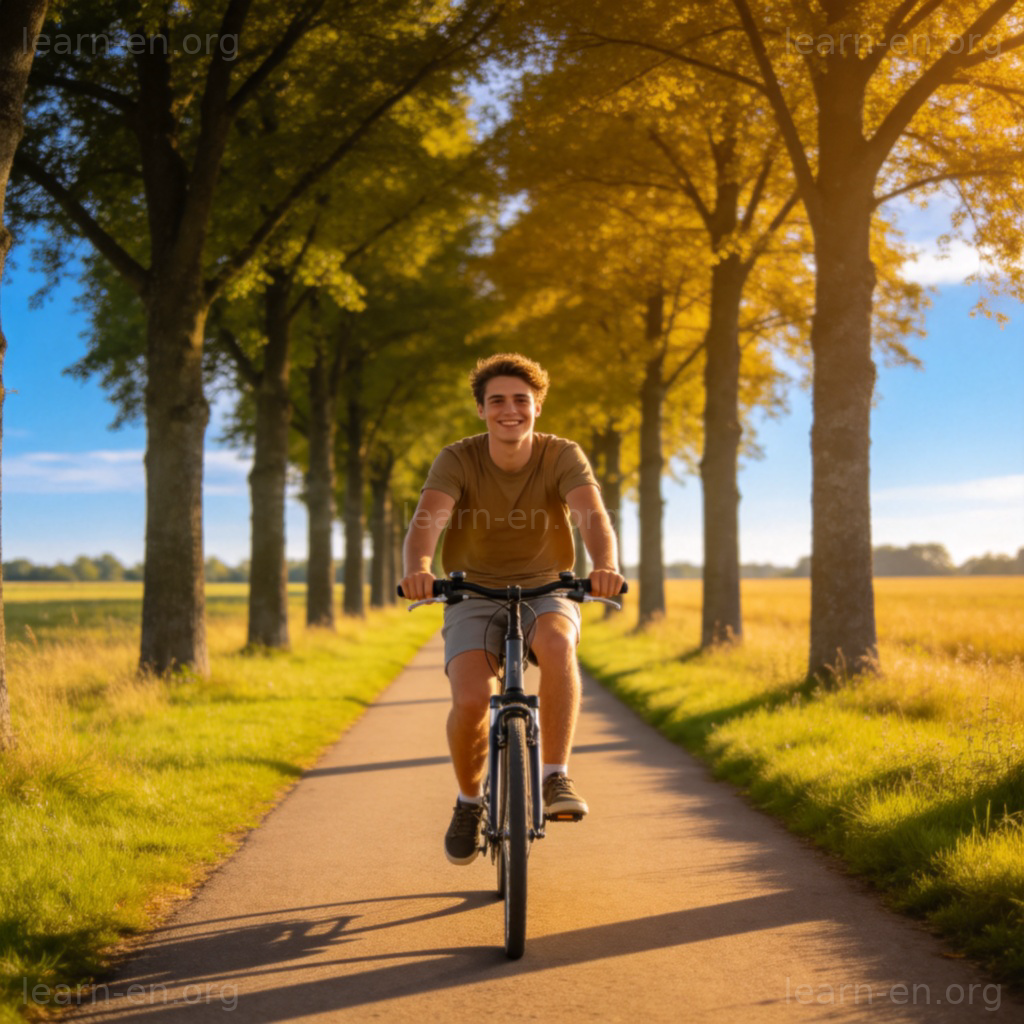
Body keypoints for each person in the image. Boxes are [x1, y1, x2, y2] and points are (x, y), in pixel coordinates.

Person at [399, 353, 625, 865]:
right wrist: (419, 568)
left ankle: (554, 777)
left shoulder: (562, 454)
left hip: (549, 587)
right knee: (474, 698)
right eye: (497, 400)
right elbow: (426, 522)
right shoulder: (457, 458)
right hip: (471, 591)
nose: (510, 410)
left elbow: (592, 516)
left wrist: (605, 564)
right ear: (481, 410)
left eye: (521, 400)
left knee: (557, 643)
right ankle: (469, 803)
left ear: (537, 406)